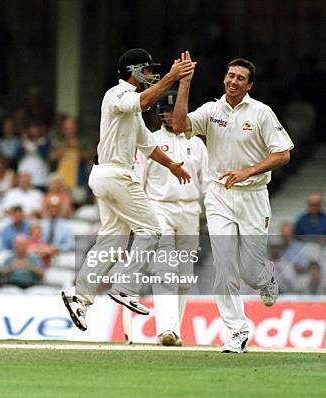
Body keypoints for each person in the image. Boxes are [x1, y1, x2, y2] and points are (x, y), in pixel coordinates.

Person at [61, 48, 194, 332]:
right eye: (146, 70)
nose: (150, 75)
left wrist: (172, 165)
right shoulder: (117, 94)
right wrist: (172, 76)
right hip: (115, 174)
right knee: (152, 231)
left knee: (112, 241)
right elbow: (144, 101)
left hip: (106, 176)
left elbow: (148, 146)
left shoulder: (133, 112)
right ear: (132, 71)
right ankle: (126, 287)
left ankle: (79, 295)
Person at [173, 53, 294, 353]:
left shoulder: (262, 113)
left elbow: (283, 154)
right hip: (219, 196)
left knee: (250, 271)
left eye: (240, 78)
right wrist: (184, 83)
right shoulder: (212, 110)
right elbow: (179, 126)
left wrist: (246, 172)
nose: (233, 81)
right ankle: (237, 331)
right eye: (230, 76)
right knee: (224, 267)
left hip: (252, 196)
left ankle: (265, 279)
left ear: (249, 85)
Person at [133, 90, 208, 346]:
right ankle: (166, 329)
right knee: (165, 270)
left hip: (189, 210)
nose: (169, 114)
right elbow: (137, 183)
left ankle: (174, 331)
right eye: (164, 110)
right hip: (159, 209)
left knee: (184, 276)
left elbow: (206, 182)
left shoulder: (197, 143)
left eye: (173, 109)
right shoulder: (150, 142)